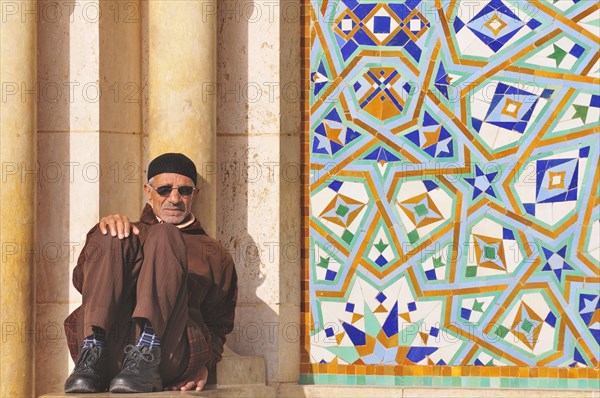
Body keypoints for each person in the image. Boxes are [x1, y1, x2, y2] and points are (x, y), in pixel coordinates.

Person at [63, 153, 238, 393]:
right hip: (109, 351)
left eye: (184, 191)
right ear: (149, 191)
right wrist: (99, 235)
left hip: (166, 356)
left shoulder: (214, 253)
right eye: (165, 189)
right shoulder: (126, 232)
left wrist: (205, 366)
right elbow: (82, 284)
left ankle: (147, 348)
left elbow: (219, 324)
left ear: (194, 194)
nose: (175, 198)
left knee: (164, 234)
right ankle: (92, 349)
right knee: (113, 233)